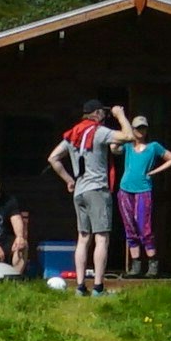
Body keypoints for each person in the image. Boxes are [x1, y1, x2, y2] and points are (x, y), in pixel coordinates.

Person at [64, 116, 123, 295]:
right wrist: (120, 115)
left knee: (83, 238)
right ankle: (98, 287)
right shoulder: (99, 131)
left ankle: (80, 287)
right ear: (97, 113)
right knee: (102, 238)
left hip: (79, 191)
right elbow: (128, 135)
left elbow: (53, 157)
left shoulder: (74, 134)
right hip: (97, 189)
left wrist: (68, 179)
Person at [115, 110, 170, 282]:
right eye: (137, 128)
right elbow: (113, 147)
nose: (140, 131)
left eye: (143, 128)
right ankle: (136, 265)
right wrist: (123, 126)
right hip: (125, 189)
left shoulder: (153, 147)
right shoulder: (128, 147)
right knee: (129, 227)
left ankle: (152, 263)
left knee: (143, 226)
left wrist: (153, 172)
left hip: (143, 190)